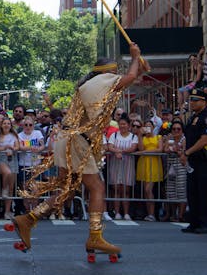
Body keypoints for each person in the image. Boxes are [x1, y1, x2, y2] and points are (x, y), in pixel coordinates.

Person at [12, 43, 144, 256]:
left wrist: (139, 67)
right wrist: (135, 57)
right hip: (77, 141)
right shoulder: (103, 80)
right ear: (108, 71)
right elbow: (128, 79)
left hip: (69, 139)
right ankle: (95, 236)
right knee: (97, 188)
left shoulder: (93, 84)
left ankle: (28, 219)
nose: (117, 73)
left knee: (68, 189)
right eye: (115, 70)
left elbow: (132, 78)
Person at [179, 88, 207, 234]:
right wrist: (185, 152)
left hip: (205, 160)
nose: (192, 103)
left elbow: (205, 139)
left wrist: (187, 152)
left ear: (204, 102)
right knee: (193, 192)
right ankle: (194, 222)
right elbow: (189, 137)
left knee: (205, 193)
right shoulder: (193, 117)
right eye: (191, 100)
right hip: (194, 160)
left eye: (195, 100)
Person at [105, 116, 138, 220]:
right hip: (116, 164)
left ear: (128, 125)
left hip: (127, 164)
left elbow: (133, 147)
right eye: (121, 124)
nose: (122, 126)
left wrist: (120, 152)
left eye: (124, 124)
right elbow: (110, 146)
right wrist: (116, 152)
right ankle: (117, 212)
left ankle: (126, 212)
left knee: (126, 189)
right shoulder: (114, 135)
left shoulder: (133, 137)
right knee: (116, 189)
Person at [135, 120, 163, 222]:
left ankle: (152, 214)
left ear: (153, 127)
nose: (147, 128)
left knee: (148, 189)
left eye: (149, 126)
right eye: (145, 126)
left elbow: (159, 149)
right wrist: (139, 135)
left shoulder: (158, 137)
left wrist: (144, 152)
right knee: (146, 191)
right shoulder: (143, 138)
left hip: (154, 164)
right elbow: (140, 147)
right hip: (144, 164)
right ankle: (149, 213)